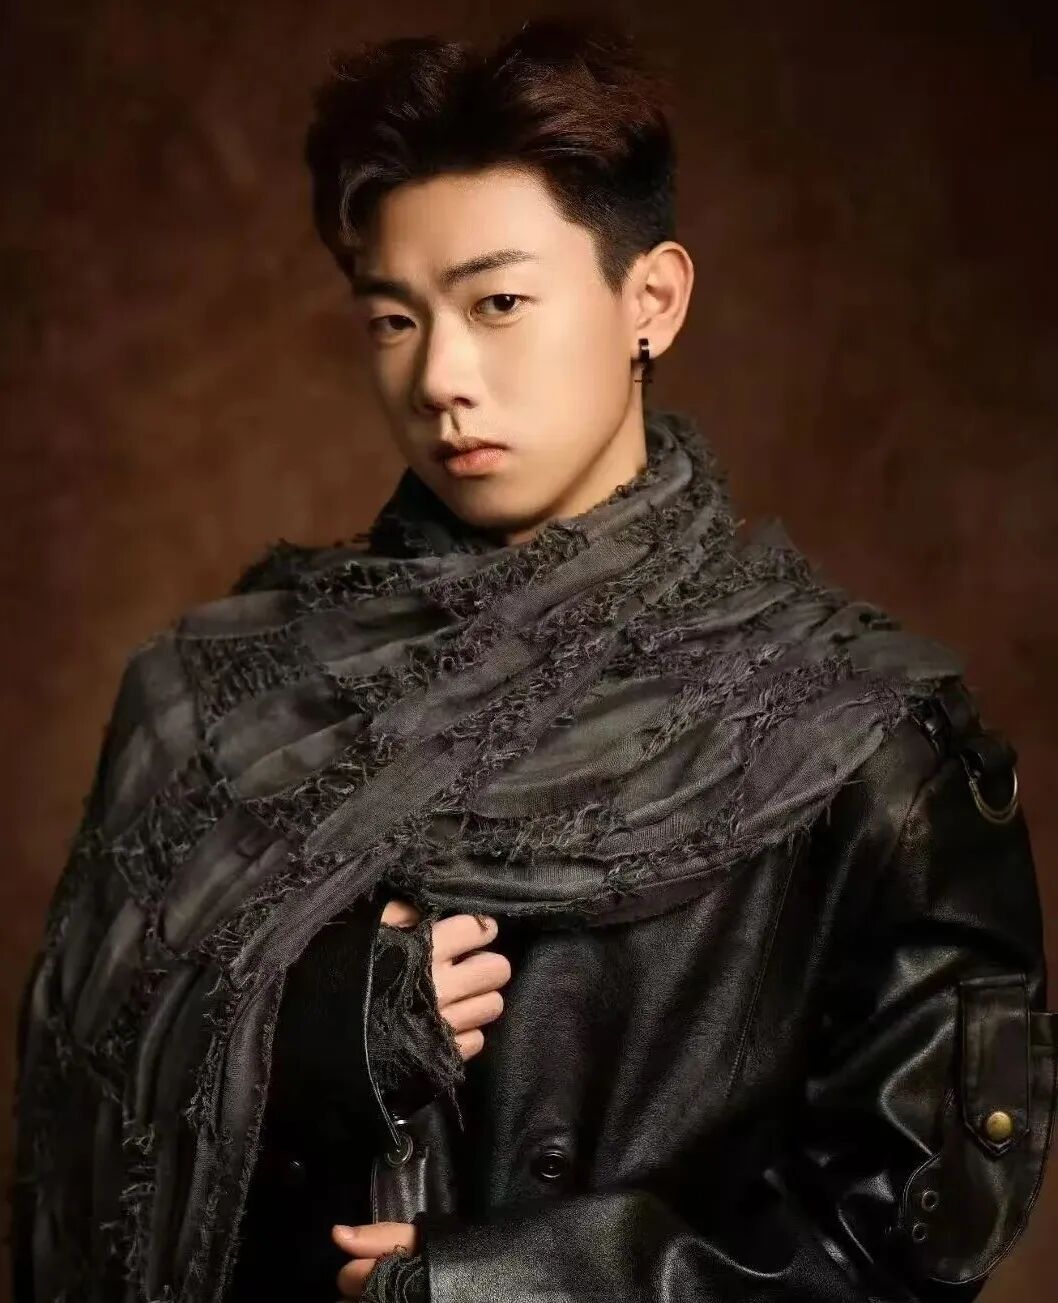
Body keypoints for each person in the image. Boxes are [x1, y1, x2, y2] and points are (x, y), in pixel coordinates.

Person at [10, 14, 1058, 1303]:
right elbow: (82, 1114)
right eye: (392, 318)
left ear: (650, 301)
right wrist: (297, 1032)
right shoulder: (218, 699)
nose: (440, 377)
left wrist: (508, 1285)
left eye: (498, 303)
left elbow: (903, 1244)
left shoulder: (867, 744)